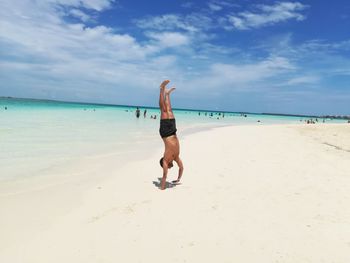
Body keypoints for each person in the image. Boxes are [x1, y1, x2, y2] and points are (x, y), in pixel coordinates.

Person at [158, 80, 184, 190]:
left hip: (165, 133)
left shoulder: (165, 160)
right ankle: (167, 94)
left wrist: (162, 187)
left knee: (163, 110)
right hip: (173, 131)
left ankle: (161, 89)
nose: (169, 168)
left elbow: (164, 176)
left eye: (168, 167)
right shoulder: (176, 157)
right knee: (169, 110)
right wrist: (178, 179)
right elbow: (181, 167)